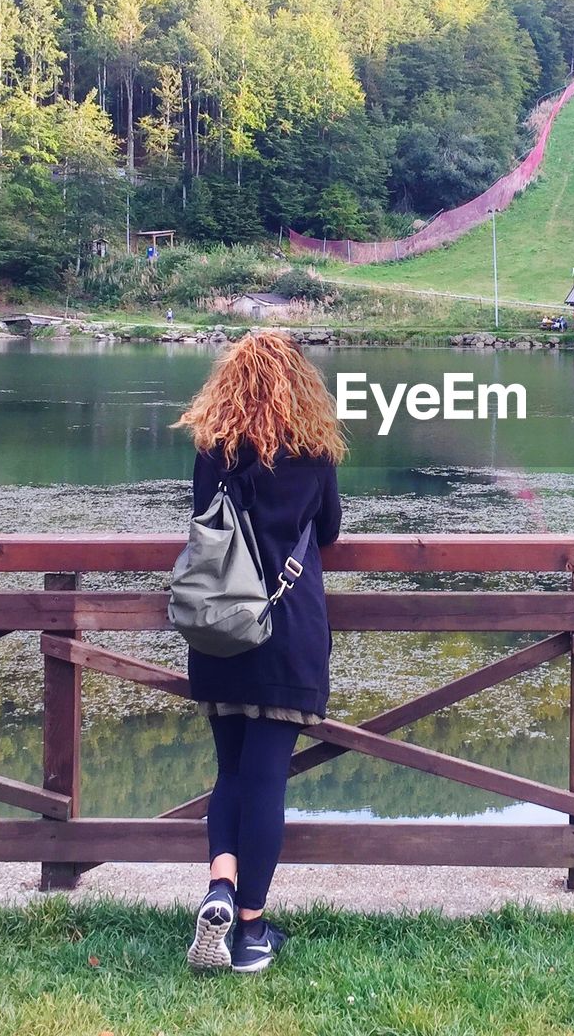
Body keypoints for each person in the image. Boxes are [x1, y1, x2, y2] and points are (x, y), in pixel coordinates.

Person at [172, 331, 345, 973]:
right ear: (302, 389)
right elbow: (327, 529)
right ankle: (250, 929)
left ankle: (220, 886)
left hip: (221, 628)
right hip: (286, 630)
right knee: (267, 777)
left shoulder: (214, 448)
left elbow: (202, 520)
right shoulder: (314, 453)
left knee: (231, 771)